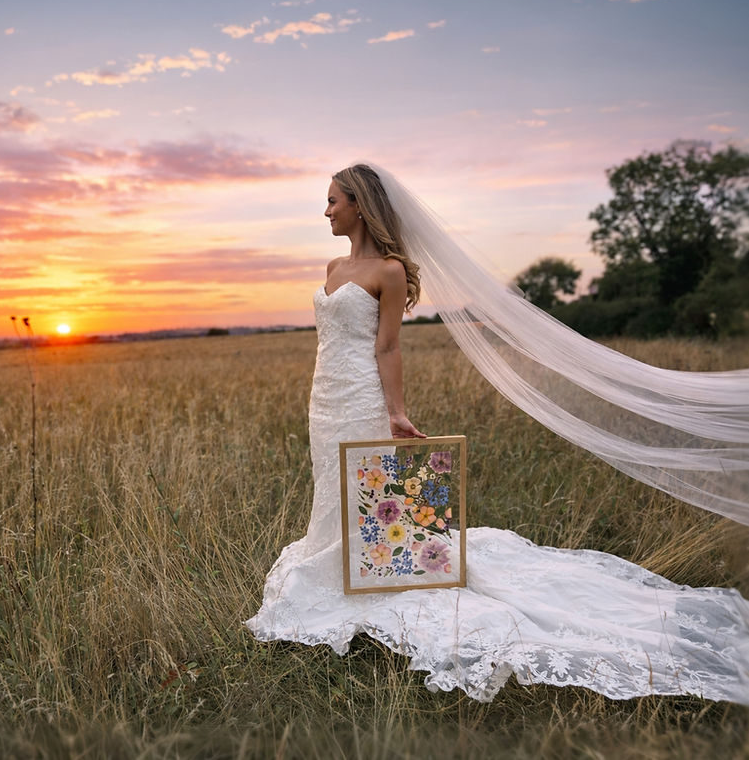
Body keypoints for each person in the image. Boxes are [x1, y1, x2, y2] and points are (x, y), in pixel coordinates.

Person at [244, 164, 749, 703]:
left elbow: (387, 347)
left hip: (364, 398)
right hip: (325, 398)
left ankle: (372, 571)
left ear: (360, 205)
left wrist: (396, 413)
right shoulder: (333, 266)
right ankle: (346, 565)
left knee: (369, 492)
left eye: (332, 201)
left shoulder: (389, 271)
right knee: (333, 489)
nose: (325, 211)